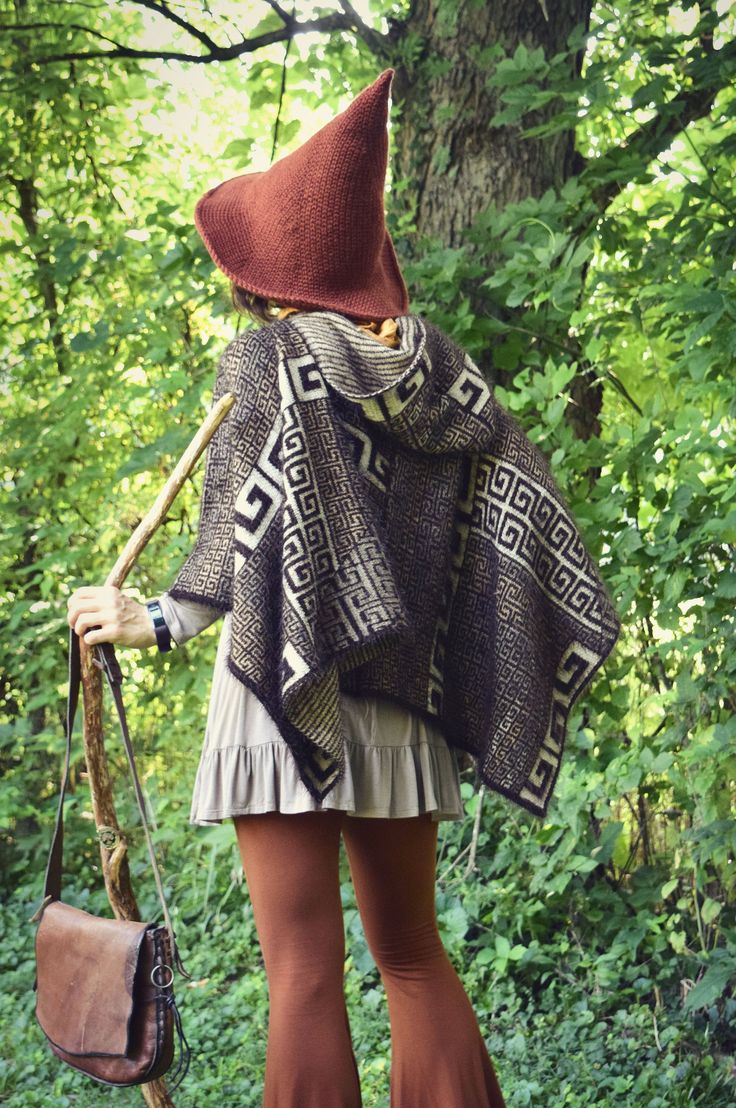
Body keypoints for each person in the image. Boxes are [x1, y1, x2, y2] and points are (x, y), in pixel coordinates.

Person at [66, 68, 620, 1106]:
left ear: (270, 267)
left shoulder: (267, 361)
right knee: (413, 958)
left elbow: (231, 559)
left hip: (285, 687)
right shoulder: (447, 380)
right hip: (399, 701)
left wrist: (139, 619)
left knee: (304, 974)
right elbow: (520, 524)